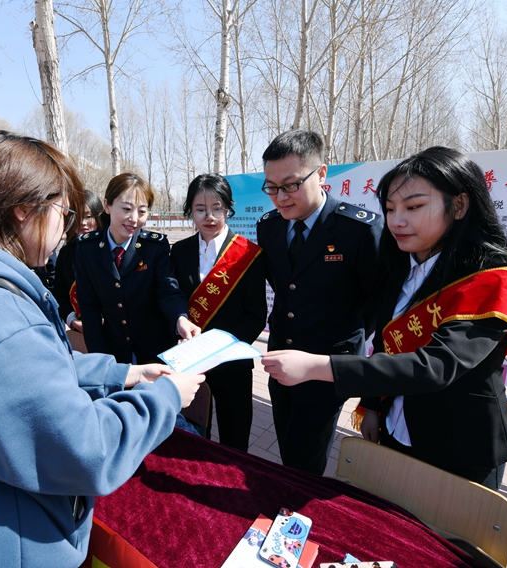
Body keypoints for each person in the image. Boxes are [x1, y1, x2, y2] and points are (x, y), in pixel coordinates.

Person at [0, 130, 205, 567]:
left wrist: (125, 374)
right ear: (23, 209)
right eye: (63, 212)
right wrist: (166, 396)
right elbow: (88, 451)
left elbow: (34, 368)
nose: (68, 228)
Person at [262, 146, 507, 490]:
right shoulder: (402, 265)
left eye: (413, 207)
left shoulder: (497, 279)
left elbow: (435, 366)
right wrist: (374, 406)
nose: (396, 221)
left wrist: (319, 366)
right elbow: (386, 340)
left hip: (459, 445)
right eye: (390, 209)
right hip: (394, 429)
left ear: (460, 205)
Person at [256, 130, 382, 475]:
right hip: (281, 358)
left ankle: (294, 507)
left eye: (291, 185)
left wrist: (344, 345)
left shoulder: (358, 230)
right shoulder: (269, 227)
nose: (280, 198)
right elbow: (285, 287)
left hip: (328, 365)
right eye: (271, 187)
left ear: (321, 173)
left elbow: (376, 307)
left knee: (305, 460)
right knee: (287, 444)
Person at [170, 174, 267, 451]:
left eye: (217, 208)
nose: (209, 217)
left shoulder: (248, 254)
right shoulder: (179, 251)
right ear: (190, 210)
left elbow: (255, 315)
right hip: (190, 361)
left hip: (232, 364)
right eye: (200, 209)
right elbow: (175, 298)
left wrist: (221, 351)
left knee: (234, 441)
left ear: (229, 208)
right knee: (192, 438)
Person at [75, 173, 200, 365]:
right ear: (107, 206)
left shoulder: (154, 247)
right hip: (113, 349)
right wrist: (99, 358)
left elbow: (168, 290)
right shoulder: (87, 248)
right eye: (126, 209)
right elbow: (89, 305)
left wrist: (180, 319)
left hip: (154, 350)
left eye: (142, 211)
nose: (134, 219)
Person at [53, 189, 103, 330]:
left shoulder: (111, 249)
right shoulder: (65, 254)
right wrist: (72, 320)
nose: (82, 222)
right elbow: (60, 294)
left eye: (88, 216)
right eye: (77, 217)